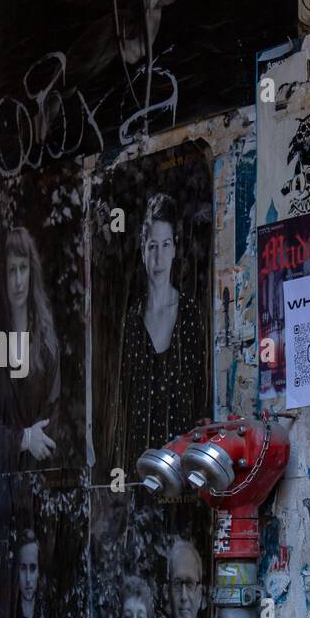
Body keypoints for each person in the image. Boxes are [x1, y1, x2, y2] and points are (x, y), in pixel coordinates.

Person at [113, 192, 209, 475]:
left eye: (166, 245)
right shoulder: (132, 321)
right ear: (143, 250)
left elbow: (200, 392)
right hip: (139, 466)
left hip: (185, 470)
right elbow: (124, 402)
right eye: (152, 246)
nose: (158, 257)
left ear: (175, 249)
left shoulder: (190, 314)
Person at [0, 227, 61, 473]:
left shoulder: (46, 340)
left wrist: (34, 443)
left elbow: (51, 417)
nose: (18, 281)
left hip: (38, 482)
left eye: (23, 269)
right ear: (2, 277)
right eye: (11, 271)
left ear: (32, 271)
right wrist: (24, 439)